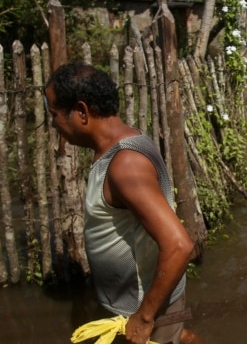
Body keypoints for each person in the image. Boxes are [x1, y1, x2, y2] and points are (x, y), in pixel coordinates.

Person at [45, 63, 194, 344]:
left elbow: (179, 245)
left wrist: (145, 317)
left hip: (143, 308)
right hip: (138, 301)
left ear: (81, 112)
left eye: (54, 115)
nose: (53, 124)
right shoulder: (121, 143)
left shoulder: (125, 165)